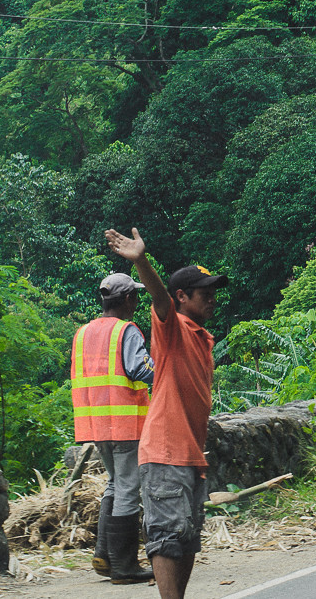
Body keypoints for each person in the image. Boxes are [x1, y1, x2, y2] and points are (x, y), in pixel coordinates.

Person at [104, 228, 227, 599]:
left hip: (189, 456)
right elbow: (158, 298)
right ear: (181, 297)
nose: (212, 299)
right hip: (164, 452)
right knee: (167, 537)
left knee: (187, 539)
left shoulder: (202, 337)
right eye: (204, 293)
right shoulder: (172, 327)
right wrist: (141, 260)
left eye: (213, 292)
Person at [72, 272, 155, 584]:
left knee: (114, 483)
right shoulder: (127, 330)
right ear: (129, 299)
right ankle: (124, 566)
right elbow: (138, 368)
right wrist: (164, 373)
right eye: (136, 296)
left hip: (95, 422)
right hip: (124, 420)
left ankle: (104, 555)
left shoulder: (84, 332)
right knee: (128, 488)